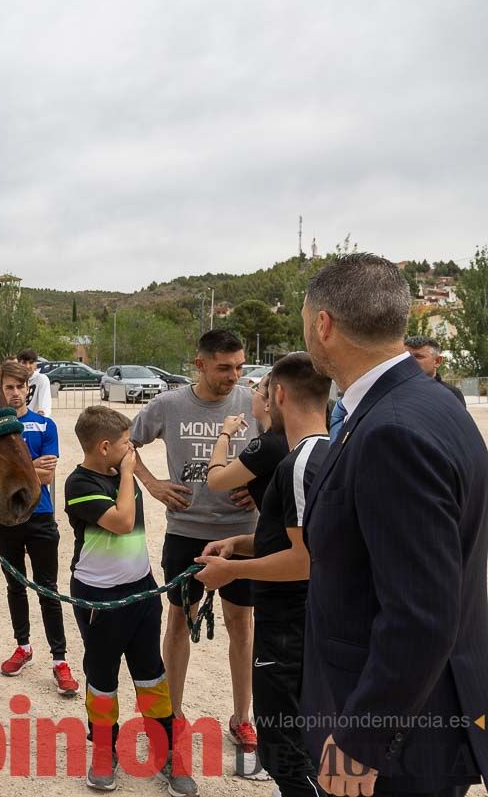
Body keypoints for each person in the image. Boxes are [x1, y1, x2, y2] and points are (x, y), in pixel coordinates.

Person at [301, 253, 487, 797]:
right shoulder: (433, 403)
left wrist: (363, 738)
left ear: (324, 324)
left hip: (399, 740)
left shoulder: (392, 430)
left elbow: (421, 614)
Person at [193, 353, 332, 797]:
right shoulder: (332, 451)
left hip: (288, 627)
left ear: (279, 394)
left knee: (285, 752)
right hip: (310, 623)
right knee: (305, 744)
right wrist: (238, 543)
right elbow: (300, 541)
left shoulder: (297, 464)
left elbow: (303, 558)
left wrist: (230, 570)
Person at [130, 329, 261, 759]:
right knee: (179, 622)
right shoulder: (168, 405)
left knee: (241, 626)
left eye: (240, 366)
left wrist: (262, 487)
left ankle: (243, 718)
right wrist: (152, 484)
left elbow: (286, 449)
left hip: (242, 532)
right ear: (200, 364)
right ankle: (175, 713)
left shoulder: (252, 401)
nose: (234, 376)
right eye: (225, 367)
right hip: (186, 531)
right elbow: (124, 445)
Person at [65, 406, 199, 796]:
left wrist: (128, 473)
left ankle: (166, 750)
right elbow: (122, 521)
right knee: (102, 679)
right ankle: (104, 751)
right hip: (99, 600)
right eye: (126, 443)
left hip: (140, 591)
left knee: (153, 677)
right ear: (105, 447)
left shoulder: (116, 471)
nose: (132, 449)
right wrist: (128, 474)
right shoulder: (79, 483)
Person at [0, 362, 78, 696]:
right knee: (14, 586)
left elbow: (47, 475)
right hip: (3, 518)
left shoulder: (45, 425)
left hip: (40, 517)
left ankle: (60, 660)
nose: (14, 392)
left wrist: (16, 469)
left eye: (19, 386)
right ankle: (23, 647)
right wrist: (28, 467)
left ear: (28, 388)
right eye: (8, 387)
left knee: (48, 589)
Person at [205, 373, 290, 510]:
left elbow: (215, 481)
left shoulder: (268, 444)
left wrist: (225, 434)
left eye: (257, 389)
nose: (252, 395)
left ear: (268, 403)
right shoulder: (289, 436)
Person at [403, 334, 466, 406]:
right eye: (407, 356)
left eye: (418, 356)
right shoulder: (395, 391)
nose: (410, 361)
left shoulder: (451, 394)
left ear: (437, 361)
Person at [16, 349, 52, 416]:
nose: (27, 366)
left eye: (31, 363)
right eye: (24, 362)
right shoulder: (14, 380)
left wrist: (41, 417)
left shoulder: (42, 379)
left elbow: (44, 407)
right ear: (18, 364)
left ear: (35, 364)